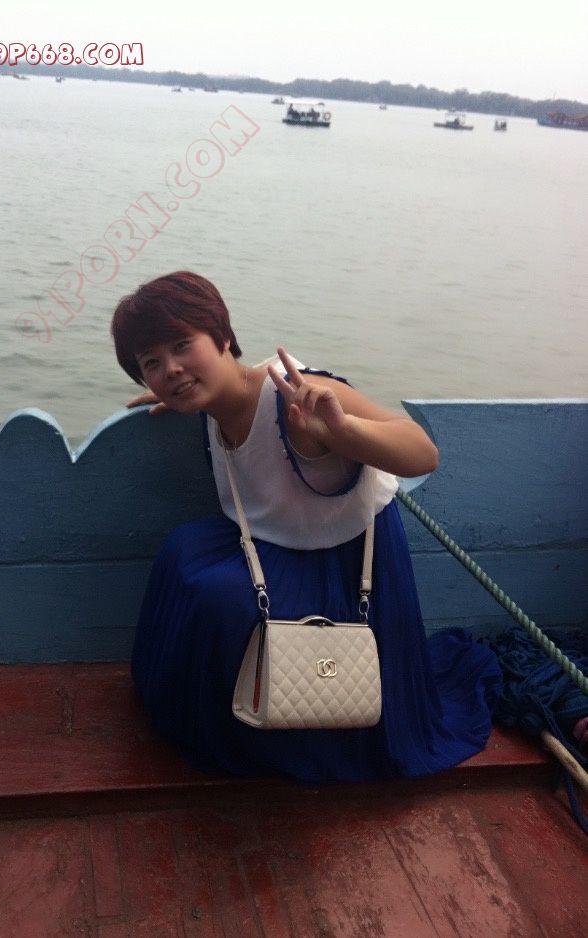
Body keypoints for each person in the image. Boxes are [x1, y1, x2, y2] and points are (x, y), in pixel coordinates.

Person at [110, 270, 502, 782]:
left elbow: (422, 452)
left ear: (222, 336)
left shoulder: (293, 393)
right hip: (278, 540)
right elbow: (195, 385)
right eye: (152, 363)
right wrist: (184, 391)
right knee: (183, 554)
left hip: (344, 567)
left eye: (183, 346)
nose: (173, 368)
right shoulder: (213, 402)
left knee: (220, 598)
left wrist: (341, 431)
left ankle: (258, 741)